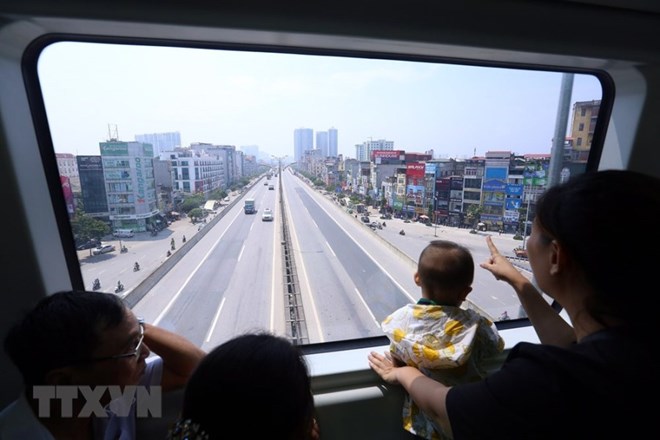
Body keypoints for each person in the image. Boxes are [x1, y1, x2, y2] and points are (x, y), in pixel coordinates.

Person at [368, 170, 660, 439]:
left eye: (532, 233)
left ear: (556, 256)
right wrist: (519, 282)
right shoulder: (632, 349)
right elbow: (571, 346)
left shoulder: (544, 381)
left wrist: (403, 372)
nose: (526, 242)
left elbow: (446, 411)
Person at [0, 290, 206, 440]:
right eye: (131, 349)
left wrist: (130, 324)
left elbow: (197, 370)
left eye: (140, 340)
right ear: (62, 380)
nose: (145, 352)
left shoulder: (102, 400)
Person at [380, 240, 504, 439]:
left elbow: (397, 359)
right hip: (465, 415)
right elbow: (495, 346)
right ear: (465, 292)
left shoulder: (400, 323)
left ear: (417, 278)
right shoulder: (475, 324)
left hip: (425, 425)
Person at [168, 332, 319, 440]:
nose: (146, 353)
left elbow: (195, 365)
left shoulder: (149, 400)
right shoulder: (146, 401)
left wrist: (143, 330)